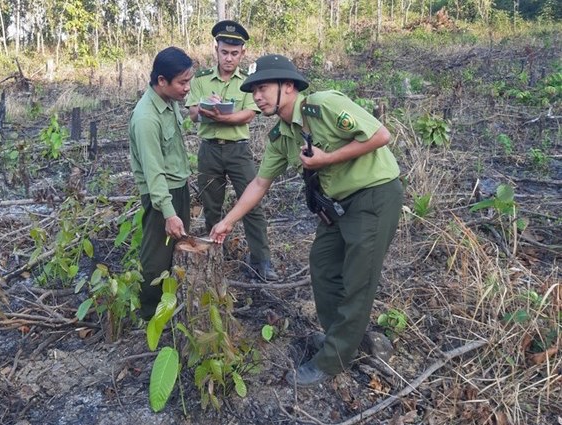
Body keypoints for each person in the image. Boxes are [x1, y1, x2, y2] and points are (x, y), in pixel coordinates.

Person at [210, 54, 403, 386]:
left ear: (288, 86)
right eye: (253, 90)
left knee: (357, 281)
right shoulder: (282, 134)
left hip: (374, 196)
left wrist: (328, 158)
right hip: (337, 205)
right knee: (323, 265)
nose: (257, 96)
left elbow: (380, 135)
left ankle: (334, 360)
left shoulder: (323, 105)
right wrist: (227, 221)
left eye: (264, 88)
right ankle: (338, 339)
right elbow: (259, 183)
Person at [185, 20, 277, 282]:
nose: (229, 58)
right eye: (224, 52)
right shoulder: (201, 79)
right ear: (216, 50)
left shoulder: (249, 82)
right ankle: (217, 255)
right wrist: (205, 110)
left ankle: (262, 260)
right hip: (209, 151)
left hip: (238, 151)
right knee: (212, 206)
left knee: (252, 205)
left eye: (234, 54)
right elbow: (192, 113)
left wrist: (222, 117)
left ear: (243, 53)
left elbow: (248, 115)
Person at [128, 47, 194, 320]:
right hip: (161, 197)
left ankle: (173, 306)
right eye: (182, 82)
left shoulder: (168, 102)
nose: (187, 88)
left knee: (177, 252)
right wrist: (168, 213)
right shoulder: (146, 118)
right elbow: (154, 173)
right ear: (162, 81)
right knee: (156, 258)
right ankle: (149, 315)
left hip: (177, 189)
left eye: (189, 81)